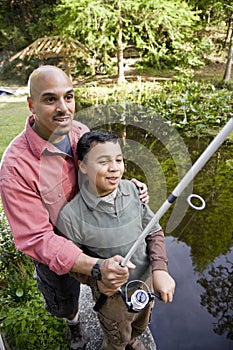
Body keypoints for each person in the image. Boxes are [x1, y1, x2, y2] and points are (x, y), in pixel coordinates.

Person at [0, 66, 149, 350]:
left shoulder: (80, 131)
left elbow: (100, 169)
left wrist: (126, 185)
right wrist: (95, 267)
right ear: (31, 105)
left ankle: (120, 333)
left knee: (114, 291)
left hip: (95, 236)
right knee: (64, 300)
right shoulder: (15, 168)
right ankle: (75, 325)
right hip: (56, 256)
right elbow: (35, 238)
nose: (63, 108)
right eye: (50, 99)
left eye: (68, 97)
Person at [57, 130, 176, 350]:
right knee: (116, 335)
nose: (114, 168)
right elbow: (72, 263)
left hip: (145, 283)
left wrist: (160, 269)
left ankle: (133, 338)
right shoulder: (71, 216)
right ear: (83, 166)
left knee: (141, 322)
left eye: (119, 160)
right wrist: (97, 281)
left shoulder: (133, 190)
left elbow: (154, 231)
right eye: (103, 161)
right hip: (112, 297)